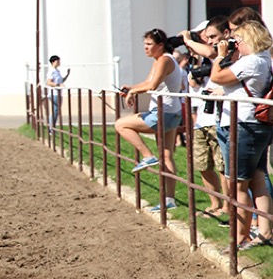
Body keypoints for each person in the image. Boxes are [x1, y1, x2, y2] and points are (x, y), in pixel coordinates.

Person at [209, 20, 273, 249]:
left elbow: (217, 76)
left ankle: (240, 238)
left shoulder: (253, 61)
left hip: (244, 124)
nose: (237, 44)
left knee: (239, 185)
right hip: (252, 124)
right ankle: (264, 232)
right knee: (257, 179)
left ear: (249, 40)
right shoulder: (264, 59)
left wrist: (220, 56)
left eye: (239, 40)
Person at [115, 28, 184, 211]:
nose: (145, 48)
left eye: (149, 44)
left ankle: (147, 156)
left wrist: (132, 92)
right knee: (167, 155)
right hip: (172, 112)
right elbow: (147, 84)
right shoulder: (160, 60)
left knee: (121, 124)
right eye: (144, 44)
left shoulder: (164, 60)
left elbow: (152, 85)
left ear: (160, 45)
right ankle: (170, 200)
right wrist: (131, 88)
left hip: (164, 113)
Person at [181, 17, 230, 217]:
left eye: (210, 35)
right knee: (202, 163)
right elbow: (194, 83)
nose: (207, 40)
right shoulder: (202, 57)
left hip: (219, 117)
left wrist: (187, 41)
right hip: (202, 116)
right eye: (204, 36)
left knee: (221, 165)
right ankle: (214, 203)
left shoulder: (220, 53)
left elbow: (211, 51)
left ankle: (227, 206)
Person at [45, 55, 69, 129]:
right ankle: (51, 128)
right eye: (57, 61)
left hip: (58, 93)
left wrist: (67, 74)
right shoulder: (51, 71)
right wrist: (58, 85)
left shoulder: (57, 71)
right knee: (55, 110)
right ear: (53, 62)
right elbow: (49, 82)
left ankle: (52, 126)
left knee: (56, 111)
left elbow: (61, 81)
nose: (59, 62)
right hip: (54, 93)